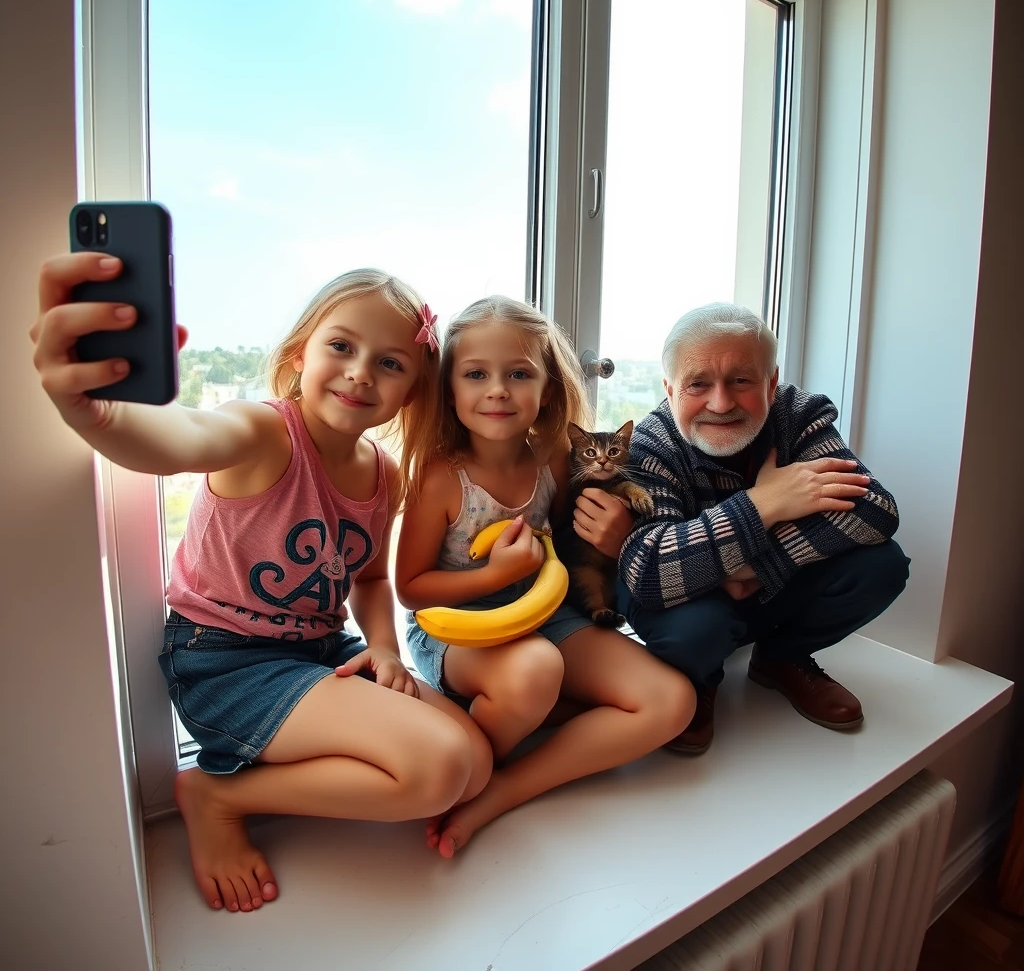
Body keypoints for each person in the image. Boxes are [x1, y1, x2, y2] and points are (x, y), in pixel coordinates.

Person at [30, 254, 493, 913]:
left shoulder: (384, 475)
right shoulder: (265, 432)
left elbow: (368, 575)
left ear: (413, 389)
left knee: (472, 762)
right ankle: (218, 796)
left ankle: (299, 763)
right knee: (440, 766)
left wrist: (384, 647)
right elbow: (183, 436)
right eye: (342, 346)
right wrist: (99, 415)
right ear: (302, 353)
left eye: (391, 363)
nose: (362, 371)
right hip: (225, 662)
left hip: (319, 656)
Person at [396, 295, 695, 857]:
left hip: (545, 611)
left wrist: (623, 521)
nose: (498, 389)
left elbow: (567, 541)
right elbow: (411, 590)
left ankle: (506, 786)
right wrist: (493, 577)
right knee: (537, 671)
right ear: (449, 387)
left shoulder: (554, 458)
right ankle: (471, 765)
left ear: (548, 387)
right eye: (476, 373)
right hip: (457, 625)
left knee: (671, 701)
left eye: (518, 373)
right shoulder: (441, 477)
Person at [573, 302, 909, 755]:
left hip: (749, 584)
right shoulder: (652, 441)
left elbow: (875, 510)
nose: (721, 402)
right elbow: (651, 573)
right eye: (698, 384)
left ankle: (781, 656)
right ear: (670, 389)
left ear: (771, 383)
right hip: (691, 600)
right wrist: (764, 503)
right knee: (694, 633)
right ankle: (700, 680)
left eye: (742, 380)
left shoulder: (800, 416)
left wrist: (750, 567)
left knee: (881, 566)